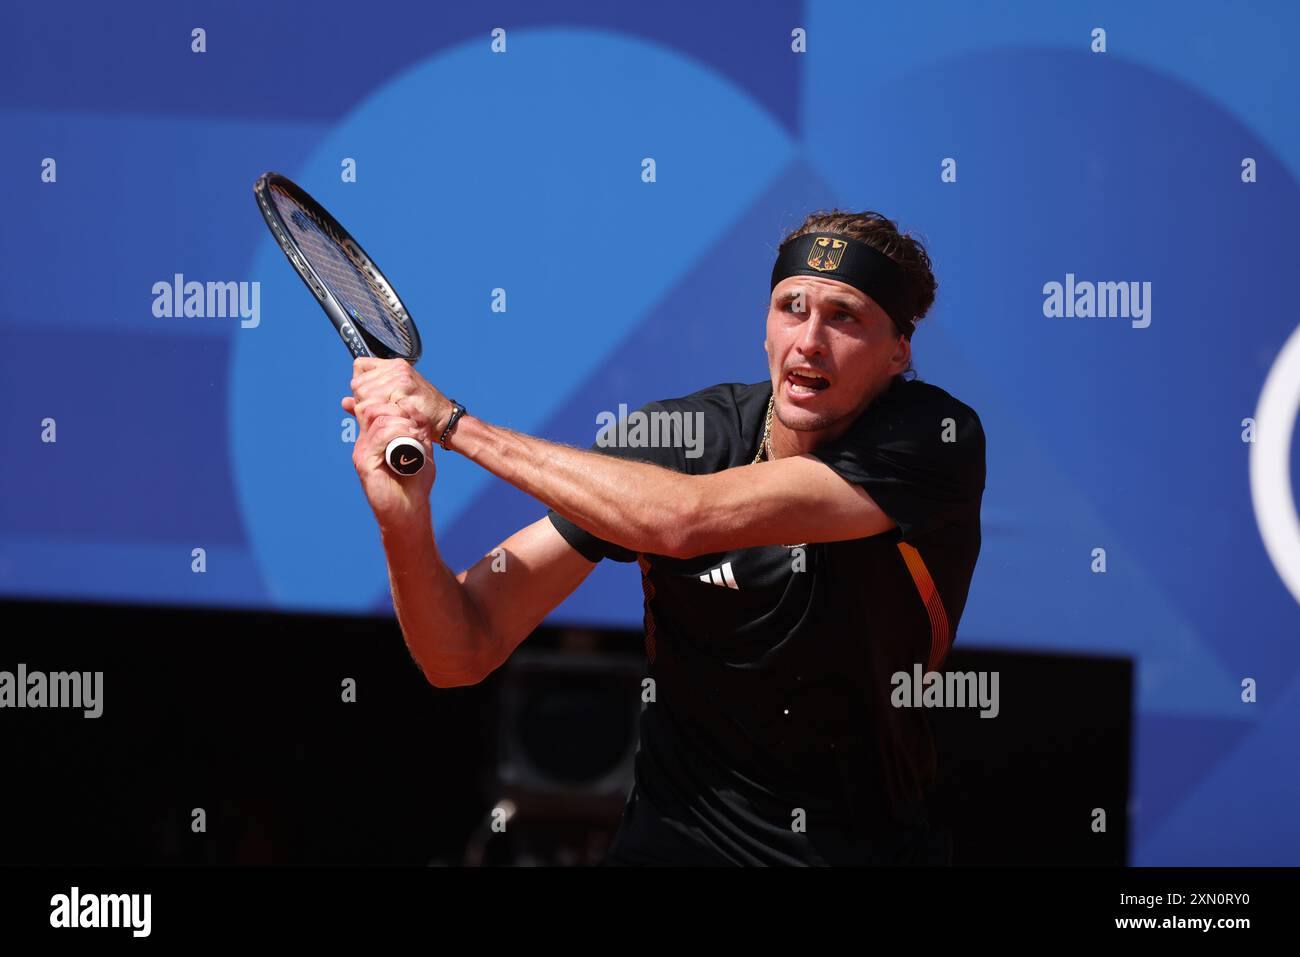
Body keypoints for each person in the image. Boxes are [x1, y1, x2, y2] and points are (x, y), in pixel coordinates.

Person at [341, 210, 986, 865]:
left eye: (844, 315)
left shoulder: (934, 440)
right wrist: (404, 523)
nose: (810, 340)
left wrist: (453, 423)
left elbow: (684, 521)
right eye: (791, 306)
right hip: (676, 839)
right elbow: (460, 651)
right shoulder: (681, 440)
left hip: (860, 848)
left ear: (899, 349)